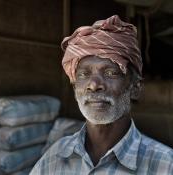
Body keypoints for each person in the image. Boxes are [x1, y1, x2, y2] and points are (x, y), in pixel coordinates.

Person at [30, 15, 173, 175]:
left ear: (135, 88)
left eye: (111, 73)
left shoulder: (165, 165)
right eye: (84, 74)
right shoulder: (55, 157)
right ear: (75, 87)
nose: (94, 85)